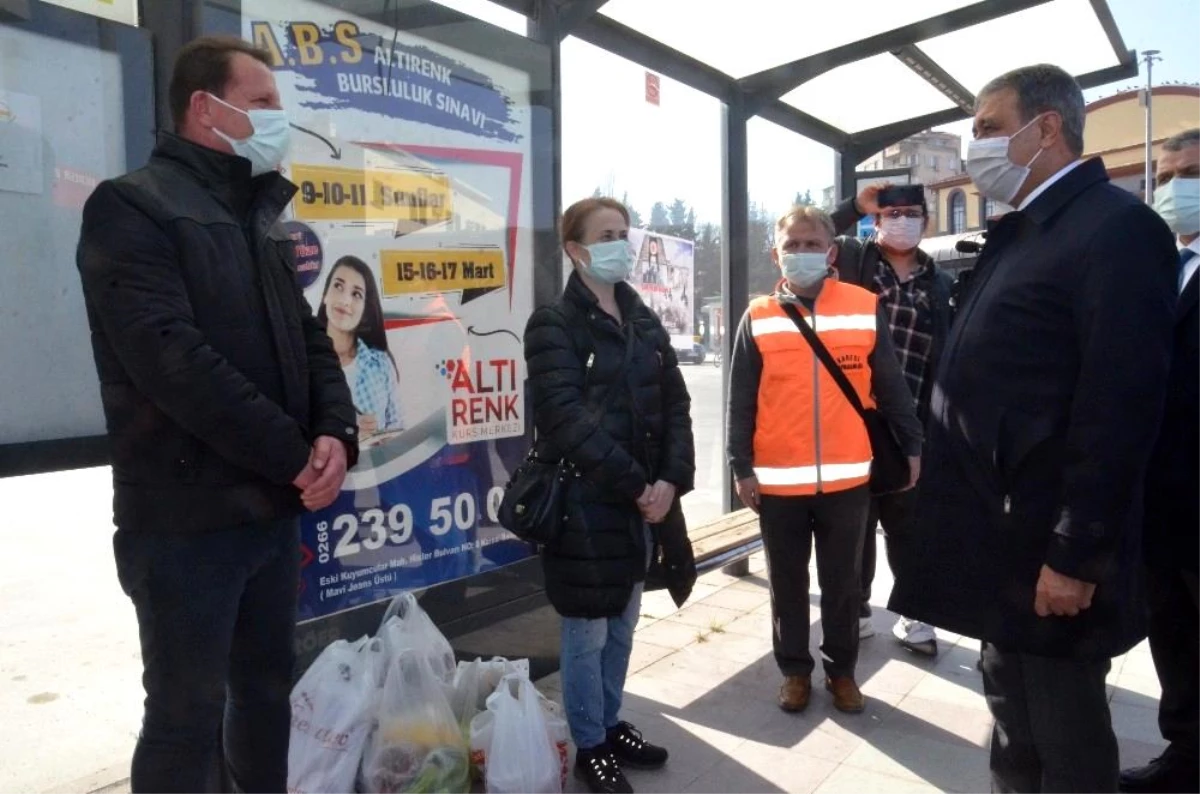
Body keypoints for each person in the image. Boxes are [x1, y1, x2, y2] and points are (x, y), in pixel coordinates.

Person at [75, 37, 358, 794]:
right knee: (183, 720)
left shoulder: (252, 222)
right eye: (263, 102)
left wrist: (336, 433)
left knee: (266, 695)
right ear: (206, 108)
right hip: (184, 527)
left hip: (267, 514)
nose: (278, 119)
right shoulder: (131, 207)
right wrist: (295, 457)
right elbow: (175, 364)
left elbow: (309, 341)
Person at [888, 64, 1177, 793]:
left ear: (1046, 128)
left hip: (1048, 554)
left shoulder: (1117, 230)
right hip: (1002, 545)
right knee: (1014, 724)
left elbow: (1119, 408)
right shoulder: (1026, 232)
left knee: (1065, 736)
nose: (974, 149)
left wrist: (1076, 556)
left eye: (988, 129)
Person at [524, 197, 696, 794]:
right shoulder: (554, 323)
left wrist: (670, 483)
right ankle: (589, 743)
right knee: (587, 630)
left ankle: (609, 720)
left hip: (642, 503)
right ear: (576, 250)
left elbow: (676, 401)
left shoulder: (642, 318)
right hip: (586, 505)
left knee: (623, 623)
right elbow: (565, 419)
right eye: (606, 234)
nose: (620, 242)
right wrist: (639, 486)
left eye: (624, 233)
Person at [727, 205, 923, 715]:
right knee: (787, 586)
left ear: (832, 252)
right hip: (778, 482)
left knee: (843, 587)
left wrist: (912, 445)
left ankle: (842, 673)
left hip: (848, 478)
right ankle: (794, 671)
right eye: (793, 245)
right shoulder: (760, 315)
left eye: (813, 244)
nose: (803, 253)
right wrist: (739, 465)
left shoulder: (862, 305)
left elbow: (891, 383)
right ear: (776, 254)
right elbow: (741, 398)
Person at [830, 184, 955, 657]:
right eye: (892, 213)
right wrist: (853, 208)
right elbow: (807, 235)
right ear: (878, 220)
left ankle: (914, 610)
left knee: (909, 521)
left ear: (926, 220)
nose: (901, 220)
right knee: (856, 520)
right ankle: (858, 607)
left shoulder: (937, 282)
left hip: (911, 422)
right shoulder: (853, 261)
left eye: (912, 213)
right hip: (854, 415)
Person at [1120, 128, 1200, 794]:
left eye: (1193, 173)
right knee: (1173, 637)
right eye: (1167, 176)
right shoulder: (1159, 266)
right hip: (1161, 505)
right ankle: (1186, 756)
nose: (1177, 189)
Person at [317, 255, 403, 440]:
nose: (345, 300)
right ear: (325, 295)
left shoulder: (381, 363)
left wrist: (378, 438)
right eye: (338, 286)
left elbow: (397, 429)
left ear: (365, 309)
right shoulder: (301, 360)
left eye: (356, 294)